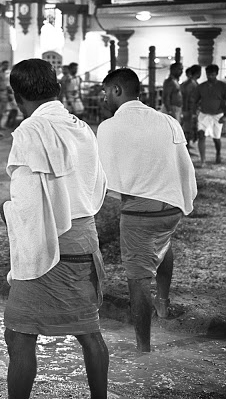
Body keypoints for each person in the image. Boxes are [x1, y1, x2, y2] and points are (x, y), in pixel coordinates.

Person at [1, 58, 109, 399]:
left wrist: (6, 213)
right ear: (58, 89)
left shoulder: (30, 131)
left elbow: (28, 203)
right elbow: (97, 186)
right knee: (89, 332)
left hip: (50, 242)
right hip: (85, 236)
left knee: (18, 333)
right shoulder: (82, 127)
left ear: (17, 98)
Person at [96, 68, 197, 352]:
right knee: (163, 243)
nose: (104, 98)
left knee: (137, 278)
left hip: (142, 212)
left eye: (105, 92)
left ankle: (143, 349)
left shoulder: (109, 127)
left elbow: (101, 174)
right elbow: (183, 165)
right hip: (173, 206)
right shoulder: (167, 120)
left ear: (117, 90)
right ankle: (163, 304)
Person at [191, 64, 226, 166]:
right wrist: (195, 112)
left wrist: (225, 115)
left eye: (212, 75)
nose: (210, 77)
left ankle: (218, 154)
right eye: (208, 75)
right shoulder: (201, 87)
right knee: (201, 135)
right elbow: (194, 101)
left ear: (216, 74)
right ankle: (203, 160)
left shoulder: (222, 86)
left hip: (218, 115)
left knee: (216, 138)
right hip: (204, 114)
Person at [180, 65, 202, 152]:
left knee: (188, 129)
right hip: (190, 109)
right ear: (197, 73)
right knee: (188, 130)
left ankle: (187, 148)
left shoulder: (188, 83)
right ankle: (186, 149)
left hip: (189, 109)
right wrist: (191, 111)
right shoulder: (192, 84)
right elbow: (189, 99)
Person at [0, 60, 10, 129]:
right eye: (5, 65)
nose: (7, 67)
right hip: (0, 93)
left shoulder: (4, 73)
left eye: (7, 65)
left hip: (4, 93)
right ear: (2, 65)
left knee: (3, 110)